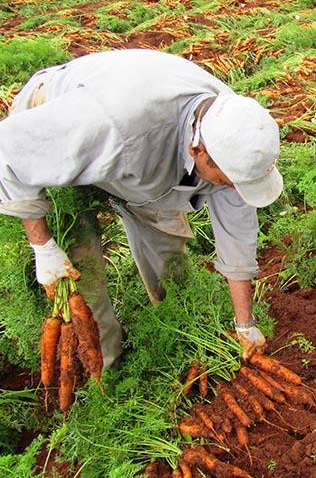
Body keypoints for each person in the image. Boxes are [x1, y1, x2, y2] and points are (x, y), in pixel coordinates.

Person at [0, 49, 283, 366]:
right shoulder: (110, 126)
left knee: (170, 263)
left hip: (143, 161)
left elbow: (237, 236)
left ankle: (175, 330)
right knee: (84, 276)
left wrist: (244, 324)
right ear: (197, 149)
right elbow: (7, 152)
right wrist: (43, 246)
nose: (231, 187)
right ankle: (110, 364)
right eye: (227, 180)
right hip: (57, 131)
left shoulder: (234, 130)